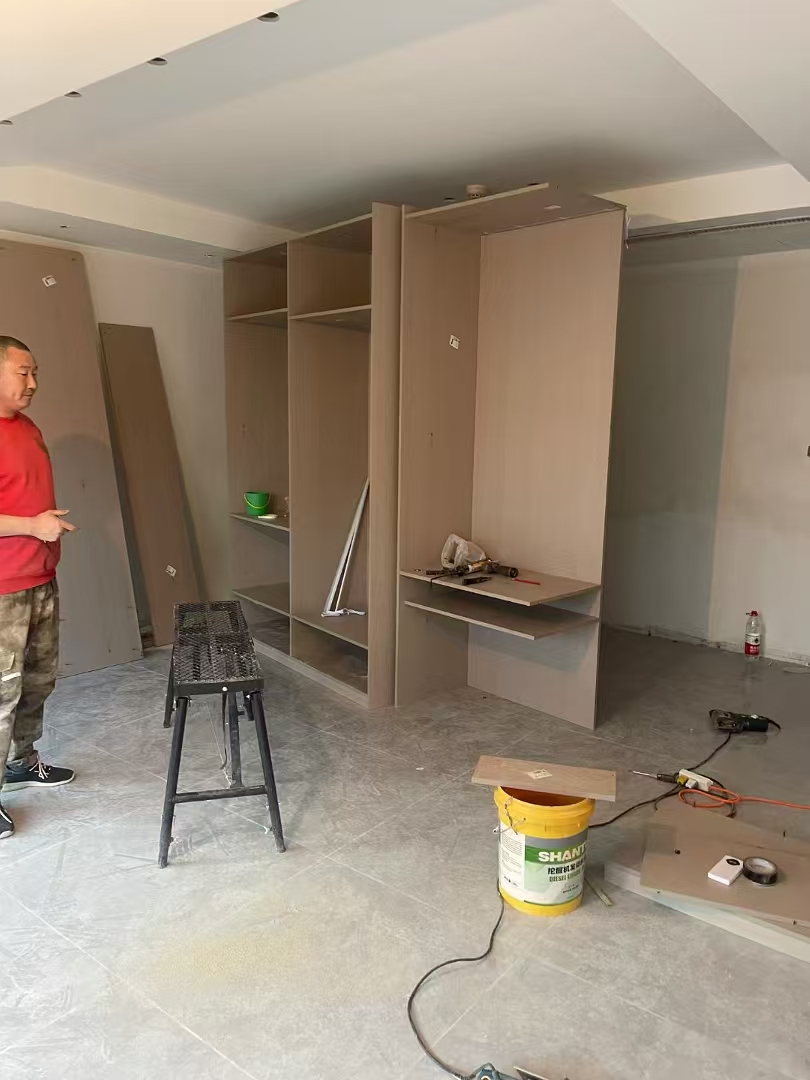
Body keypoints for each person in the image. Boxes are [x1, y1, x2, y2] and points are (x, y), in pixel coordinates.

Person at [0, 335, 75, 839]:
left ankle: (21, 762)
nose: (33, 383)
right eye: (22, 372)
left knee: (37, 681)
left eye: (35, 373)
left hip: (41, 576)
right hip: (3, 587)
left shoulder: (28, 428)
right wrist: (31, 526)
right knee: (1, 691)